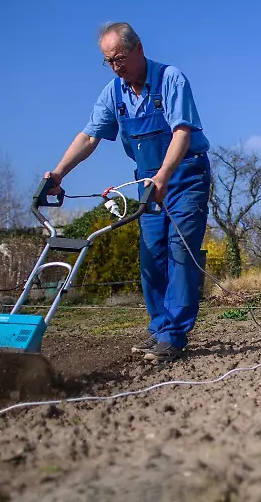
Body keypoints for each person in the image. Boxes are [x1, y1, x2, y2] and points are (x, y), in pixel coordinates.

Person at [44, 22, 211, 362]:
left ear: (139, 49)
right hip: (146, 182)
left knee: (180, 251)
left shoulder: (170, 80)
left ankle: (175, 336)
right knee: (151, 254)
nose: (116, 66)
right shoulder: (114, 93)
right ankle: (160, 329)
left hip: (185, 175)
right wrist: (58, 174)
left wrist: (164, 175)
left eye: (120, 58)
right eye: (109, 61)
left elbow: (181, 132)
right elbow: (90, 136)